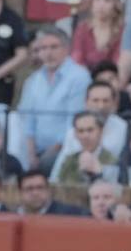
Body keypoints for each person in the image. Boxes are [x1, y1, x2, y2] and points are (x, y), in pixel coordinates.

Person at [18, 28, 90, 172]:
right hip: (34, 150)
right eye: (43, 48)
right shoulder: (32, 80)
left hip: (66, 148)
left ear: (66, 49)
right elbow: (27, 121)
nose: (48, 53)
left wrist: (51, 152)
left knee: (47, 164)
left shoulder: (79, 77)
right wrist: (31, 155)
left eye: (54, 47)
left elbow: (74, 123)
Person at [70, 0, 123, 72]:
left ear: (116, 5)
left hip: (110, 78)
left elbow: (118, 63)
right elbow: (77, 58)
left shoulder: (122, 31)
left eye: (107, 1)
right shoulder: (82, 28)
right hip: (83, 77)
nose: (101, 5)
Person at [16, 169, 84, 216]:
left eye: (40, 187)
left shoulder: (70, 214)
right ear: (20, 192)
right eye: (29, 189)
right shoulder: (12, 215)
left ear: (48, 190)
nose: (35, 193)